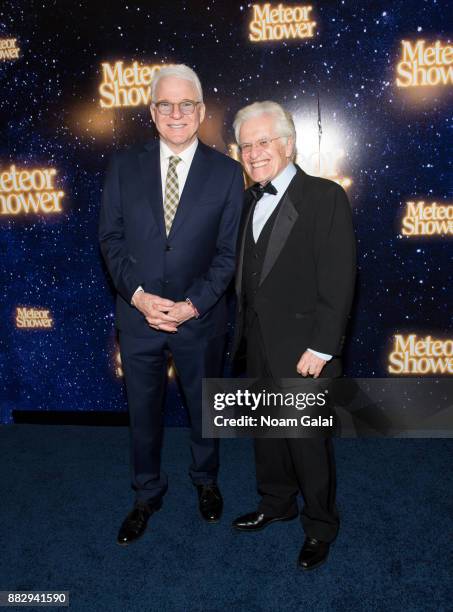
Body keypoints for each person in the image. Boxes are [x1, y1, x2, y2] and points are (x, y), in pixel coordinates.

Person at [99, 64, 243, 545]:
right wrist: (138, 297)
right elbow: (111, 240)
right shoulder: (123, 165)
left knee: (205, 409)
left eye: (186, 104)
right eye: (166, 104)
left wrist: (191, 306)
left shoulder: (227, 173)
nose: (176, 113)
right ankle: (146, 494)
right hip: (138, 318)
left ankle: (206, 482)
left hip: (199, 320)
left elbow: (228, 255)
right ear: (152, 111)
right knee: (143, 412)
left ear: (201, 112)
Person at [230, 101, 356, 570]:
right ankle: (276, 503)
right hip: (257, 342)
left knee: (305, 440)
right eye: (246, 145)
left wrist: (322, 347)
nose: (255, 152)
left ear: (288, 144)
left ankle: (320, 524)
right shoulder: (249, 200)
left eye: (264, 142)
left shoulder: (324, 197)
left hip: (305, 349)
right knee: (266, 432)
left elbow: (339, 279)